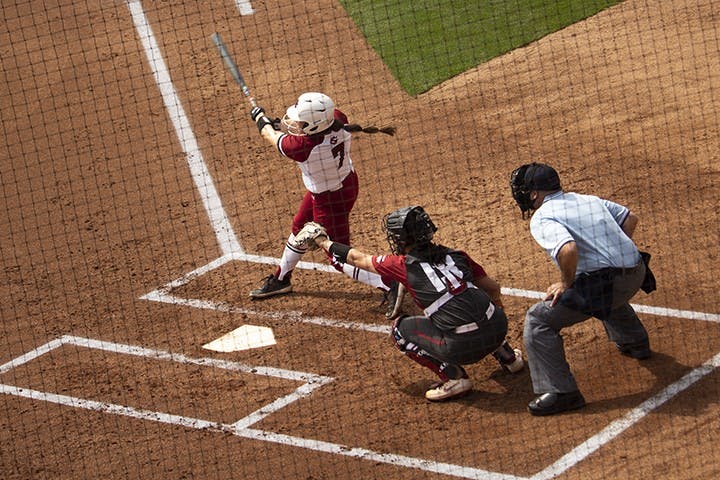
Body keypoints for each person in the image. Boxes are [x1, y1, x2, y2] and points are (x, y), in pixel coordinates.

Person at [297, 206, 524, 401]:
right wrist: (495, 321)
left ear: (402, 240)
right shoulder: (457, 255)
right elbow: (493, 288)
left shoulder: (402, 264)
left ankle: (454, 378)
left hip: (463, 349)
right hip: (498, 327)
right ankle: (509, 358)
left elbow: (358, 259)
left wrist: (322, 241)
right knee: (476, 305)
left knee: (400, 331)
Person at [509, 162, 656, 416]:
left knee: (538, 319)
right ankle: (635, 341)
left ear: (534, 193)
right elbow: (630, 218)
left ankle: (562, 392)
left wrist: (566, 283)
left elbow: (568, 250)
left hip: (613, 286)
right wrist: (613, 253)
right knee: (595, 282)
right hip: (638, 271)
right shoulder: (586, 199)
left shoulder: (543, 217)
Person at [248, 92, 396, 299]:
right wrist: (279, 125)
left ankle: (389, 286)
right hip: (346, 183)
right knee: (300, 226)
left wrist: (260, 119)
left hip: (329, 201)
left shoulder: (303, 148)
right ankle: (281, 279)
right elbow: (304, 130)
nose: (295, 123)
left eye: (300, 122)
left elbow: (269, 136)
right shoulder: (337, 118)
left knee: (338, 257)